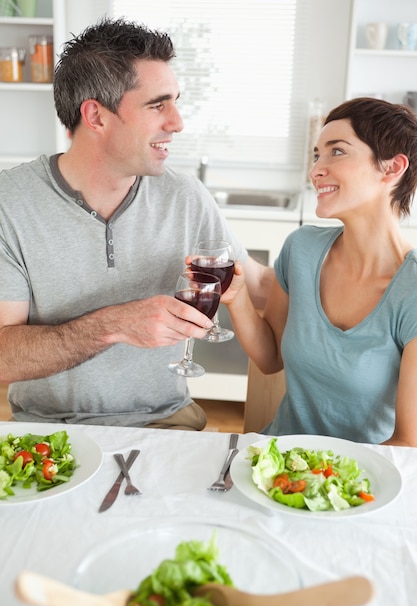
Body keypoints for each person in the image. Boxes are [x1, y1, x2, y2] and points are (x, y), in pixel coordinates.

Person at [0, 17, 273, 429]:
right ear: (95, 116)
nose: (177, 121)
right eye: (157, 104)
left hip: (168, 422)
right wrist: (113, 325)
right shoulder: (12, 202)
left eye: (176, 101)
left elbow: (257, 283)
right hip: (50, 430)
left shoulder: (185, 196)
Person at [224, 97, 417, 446]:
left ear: (392, 168)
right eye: (317, 156)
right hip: (275, 462)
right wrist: (236, 297)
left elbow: (409, 442)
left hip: (358, 484)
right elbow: (271, 359)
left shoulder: (412, 290)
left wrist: (322, 482)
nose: (316, 170)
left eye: (337, 152)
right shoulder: (302, 249)